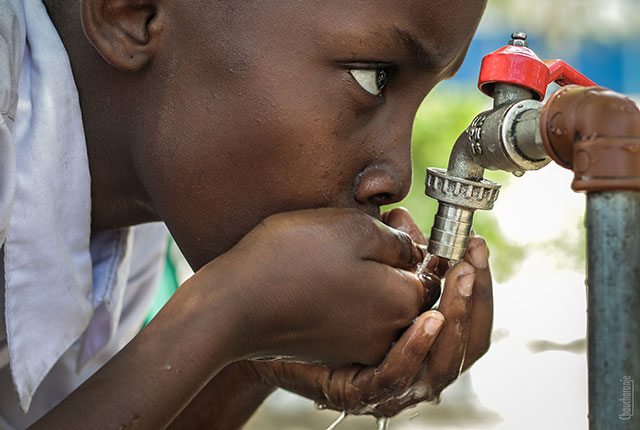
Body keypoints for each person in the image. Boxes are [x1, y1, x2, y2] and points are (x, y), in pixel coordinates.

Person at [0, 0, 493, 428]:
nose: (397, 177)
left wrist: (253, 356)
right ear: (133, 13)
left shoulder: (132, 219)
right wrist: (222, 313)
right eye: (373, 76)